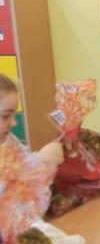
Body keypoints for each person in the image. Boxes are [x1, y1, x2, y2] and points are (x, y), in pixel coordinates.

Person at [0, 73, 73, 243]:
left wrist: (45, 158)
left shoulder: (8, 141)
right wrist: (42, 161)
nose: (13, 123)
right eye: (5, 116)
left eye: (13, 115)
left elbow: (24, 162)